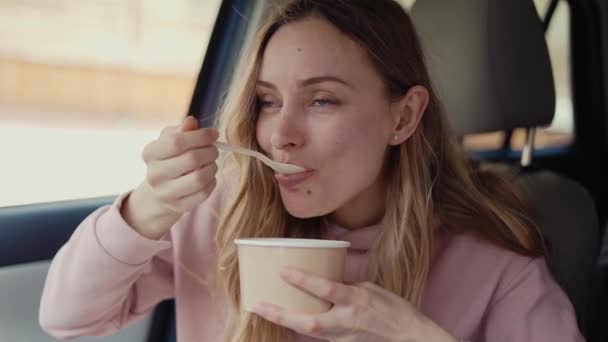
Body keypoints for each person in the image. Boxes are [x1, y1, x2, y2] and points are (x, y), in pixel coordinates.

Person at [39, 0, 585, 341]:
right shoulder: (221, 213)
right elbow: (67, 318)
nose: (280, 134)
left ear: (404, 115)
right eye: (268, 101)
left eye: (322, 101)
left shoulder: (495, 265)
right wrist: (147, 209)